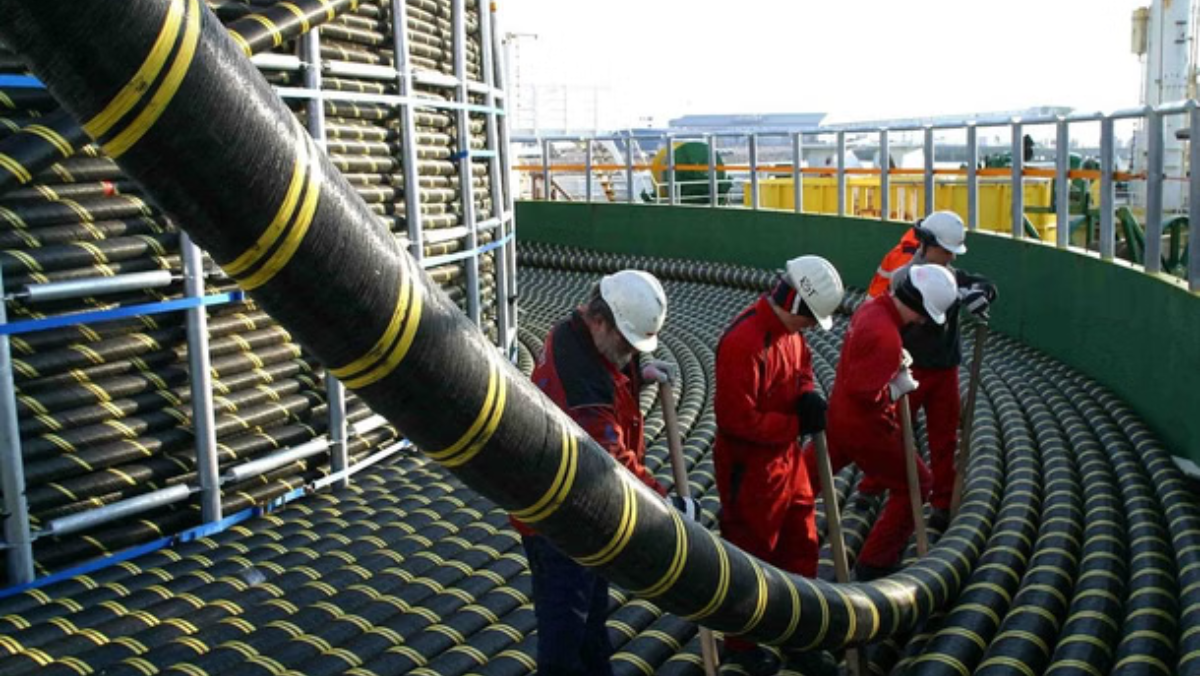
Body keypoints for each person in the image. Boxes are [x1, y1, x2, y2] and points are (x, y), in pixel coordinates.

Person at [510, 270, 696, 676]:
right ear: (600, 320)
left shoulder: (576, 331)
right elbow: (612, 462)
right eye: (626, 344)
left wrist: (637, 372)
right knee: (565, 635)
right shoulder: (581, 388)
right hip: (560, 520)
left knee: (591, 625)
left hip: (583, 510)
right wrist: (665, 505)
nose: (630, 353)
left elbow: (608, 364)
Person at [713, 256, 844, 676]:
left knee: (801, 547)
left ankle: (797, 635)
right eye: (810, 319)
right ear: (798, 306)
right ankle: (742, 643)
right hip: (749, 471)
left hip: (787, 465)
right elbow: (736, 419)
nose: (810, 327)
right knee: (750, 558)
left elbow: (802, 369)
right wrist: (793, 423)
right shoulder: (743, 343)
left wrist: (807, 394)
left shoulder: (790, 334)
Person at [806, 264, 960, 581]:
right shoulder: (886, 336)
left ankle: (767, 518)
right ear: (919, 306)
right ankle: (874, 564)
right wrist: (895, 386)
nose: (921, 321)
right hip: (864, 428)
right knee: (917, 484)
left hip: (839, 415)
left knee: (805, 478)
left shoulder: (872, 308)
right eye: (923, 315)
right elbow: (867, 395)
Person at [862, 211, 997, 531]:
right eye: (946, 250)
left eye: (953, 253)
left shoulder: (950, 273)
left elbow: (982, 283)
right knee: (890, 430)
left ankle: (941, 502)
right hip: (909, 370)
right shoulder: (904, 279)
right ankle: (872, 485)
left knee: (944, 437)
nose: (949, 257)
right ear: (927, 244)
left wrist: (981, 293)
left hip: (944, 370)